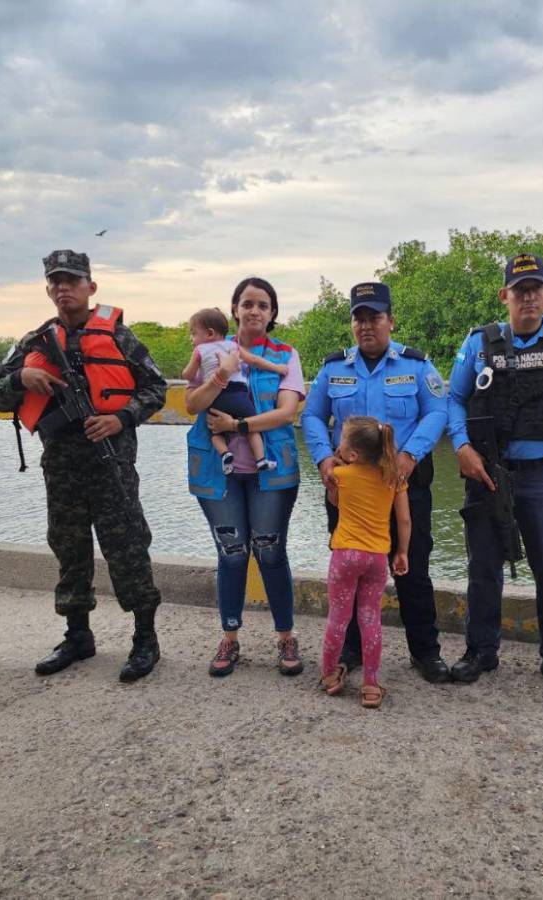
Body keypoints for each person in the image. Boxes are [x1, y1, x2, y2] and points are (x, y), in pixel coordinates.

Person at [0, 250, 167, 682]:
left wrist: (120, 417)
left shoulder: (121, 338)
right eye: (56, 282)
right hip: (63, 470)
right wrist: (21, 379)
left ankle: (145, 639)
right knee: (69, 551)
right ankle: (77, 635)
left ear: (91, 286)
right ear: (48, 289)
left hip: (112, 468)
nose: (63, 288)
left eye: (72, 280)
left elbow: (156, 388)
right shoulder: (34, 343)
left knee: (127, 549)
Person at [446, 253, 543, 699]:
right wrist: (462, 447)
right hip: (486, 471)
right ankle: (481, 651)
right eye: (519, 289)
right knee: (483, 568)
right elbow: (453, 400)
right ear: (504, 295)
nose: (527, 297)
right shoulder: (478, 344)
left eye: (536, 288)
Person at [302, 281, 451, 684]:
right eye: (359, 318)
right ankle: (349, 651)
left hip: (403, 486)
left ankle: (425, 652)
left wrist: (409, 454)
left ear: (390, 320)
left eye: (374, 317)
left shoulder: (417, 366)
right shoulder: (334, 369)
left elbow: (438, 411)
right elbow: (312, 416)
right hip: (347, 493)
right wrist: (321, 458)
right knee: (347, 573)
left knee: (412, 569)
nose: (366, 325)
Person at [184, 276, 305, 677]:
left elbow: (287, 412)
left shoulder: (286, 355)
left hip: (271, 471)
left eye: (263, 305)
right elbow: (191, 403)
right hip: (220, 473)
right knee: (232, 553)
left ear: (272, 314)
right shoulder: (210, 351)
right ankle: (230, 637)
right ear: (234, 309)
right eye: (247, 303)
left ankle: (285, 635)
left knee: (270, 550)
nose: (254, 311)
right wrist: (221, 376)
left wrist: (239, 425)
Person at [318, 416, 410, 710]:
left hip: (345, 554)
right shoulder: (393, 477)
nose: (338, 445)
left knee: (338, 618)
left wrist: (333, 467)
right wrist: (402, 552)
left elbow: (334, 501)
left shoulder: (341, 475)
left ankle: (330, 676)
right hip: (376, 557)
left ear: (353, 453)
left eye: (341, 441)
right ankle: (370, 685)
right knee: (370, 619)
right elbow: (404, 520)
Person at [182, 307, 286, 473]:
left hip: (216, 398)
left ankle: (225, 454)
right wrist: (278, 368)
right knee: (252, 427)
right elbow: (254, 360)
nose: (191, 339)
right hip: (239, 395)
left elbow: (187, 374)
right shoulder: (232, 346)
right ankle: (260, 460)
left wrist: (193, 372)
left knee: (215, 432)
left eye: (194, 333)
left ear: (209, 333)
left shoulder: (199, 350)